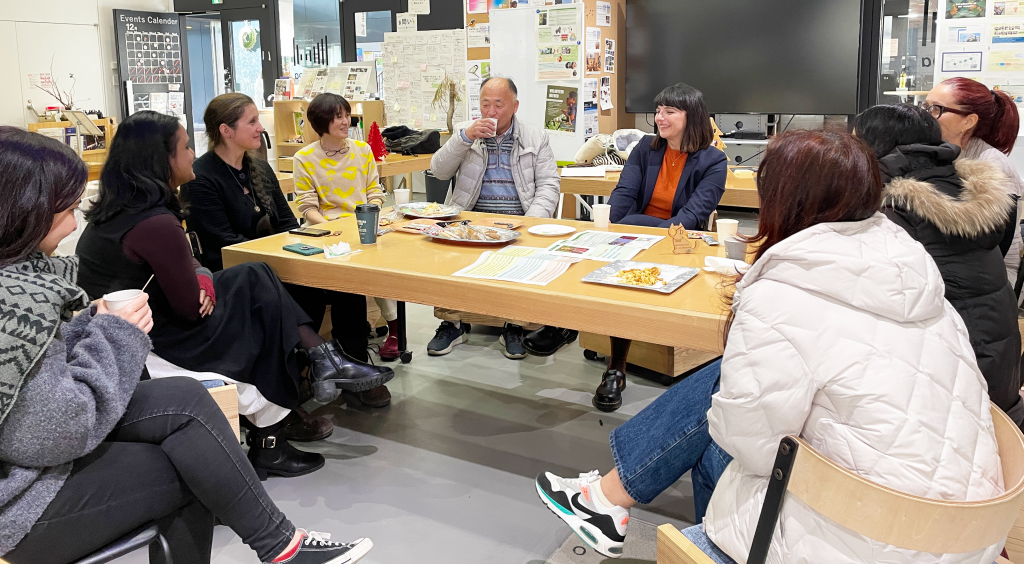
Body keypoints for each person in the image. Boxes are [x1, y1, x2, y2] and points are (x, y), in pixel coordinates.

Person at [535, 130, 1005, 563]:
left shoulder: (784, 294)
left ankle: (610, 500)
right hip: (967, 532)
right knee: (725, 399)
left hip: (870, 535)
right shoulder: (911, 269)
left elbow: (751, 445)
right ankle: (608, 499)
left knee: (719, 418)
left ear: (785, 198)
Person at [0, 126, 373, 564]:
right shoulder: (18, 303)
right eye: (64, 208)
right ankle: (308, 379)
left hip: (98, 382)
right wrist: (115, 331)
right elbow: (57, 431)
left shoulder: (37, 272)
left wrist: (93, 322)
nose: (70, 222)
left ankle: (282, 542)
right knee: (198, 462)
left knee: (191, 390)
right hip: (20, 499)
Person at [75, 111, 394, 479]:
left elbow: (191, 263)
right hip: (149, 340)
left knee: (256, 279)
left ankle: (311, 379)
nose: (192, 153)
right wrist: (204, 279)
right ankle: (288, 414)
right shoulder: (157, 221)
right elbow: (191, 304)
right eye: (184, 147)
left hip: (141, 323)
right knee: (259, 303)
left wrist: (204, 279)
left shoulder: (128, 210)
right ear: (163, 159)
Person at [180, 93, 393, 408]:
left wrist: (311, 253)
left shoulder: (260, 169)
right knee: (308, 290)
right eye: (252, 122)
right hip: (235, 273)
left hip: (273, 261)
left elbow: (287, 224)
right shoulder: (203, 178)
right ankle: (312, 369)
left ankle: (352, 365)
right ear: (226, 130)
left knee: (341, 277)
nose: (259, 128)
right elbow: (225, 245)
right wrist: (284, 259)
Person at [854, 104, 1023, 427]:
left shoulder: (894, 207)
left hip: (955, 394)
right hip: (998, 377)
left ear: (873, 147)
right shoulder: (960, 188)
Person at [596, 83, 728, 412]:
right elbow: (620, 200)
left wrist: (635, 223)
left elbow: (689, 220)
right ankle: (606, 361)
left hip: (678, 249)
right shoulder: (645, 149)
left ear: (692, 116)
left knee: (625, 281)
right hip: (633, 241)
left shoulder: (713, 161)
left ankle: (616, 368)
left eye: (669, 111)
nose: (659, 117)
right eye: (658, 111)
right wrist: (625, 225)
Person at [427, 76, 576, 360]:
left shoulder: (535, 137)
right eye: (485, 104)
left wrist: (532, 222)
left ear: (515, 106)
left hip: (518, 220)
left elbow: (548, 184)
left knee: (525, 257)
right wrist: (466, 138)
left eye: (499, 104)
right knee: (445, 253)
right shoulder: (464, 132)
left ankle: (514, 326)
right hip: (470, 218)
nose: (491, 112)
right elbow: (439, 171)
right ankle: (453, 323)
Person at [293, 92, 402, 362]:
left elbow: (374, 192)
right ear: (322, 122)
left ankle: (395, 331)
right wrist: (334, 228)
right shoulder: (304, 158)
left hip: (363, 223)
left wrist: (370, 215)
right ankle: (317, 354)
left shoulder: (362, 150)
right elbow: (307, 208)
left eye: (346, 114)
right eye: (338, 116)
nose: (346, 121)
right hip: (324, 232)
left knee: (381, 263)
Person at [926, 77, 1024, 284]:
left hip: (989, 275)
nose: (927, 116)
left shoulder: (992, 165)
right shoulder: (938, 153)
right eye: (925, 107)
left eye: (936, 109)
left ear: (968, 121)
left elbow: (994, 240)